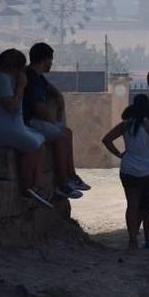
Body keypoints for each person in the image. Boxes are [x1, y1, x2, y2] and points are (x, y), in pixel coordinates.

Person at [0, 49, 52, 208]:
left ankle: (37, 183)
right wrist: (21, 86)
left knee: (39, 139)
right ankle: (28, 185)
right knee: (33, 144)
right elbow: (11, 106)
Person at [102, 94, 149, 251]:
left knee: (132, 206)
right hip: (148, 171)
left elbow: (106, 140)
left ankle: (132, 242)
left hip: (128, 170)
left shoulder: (125, 125)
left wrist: (121, 154)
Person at [22, 42, 88, 199]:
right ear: (45, 59)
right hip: (29, 121)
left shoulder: (38, 78)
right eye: (50, 60)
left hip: (38, 120)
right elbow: (37, 107)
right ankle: (63, 183)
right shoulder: (30, 77)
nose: (51, 63)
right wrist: (53, 119)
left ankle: (72, 177)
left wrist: (58, 98)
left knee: (67, 133)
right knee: (60, 136)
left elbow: (52, 91)